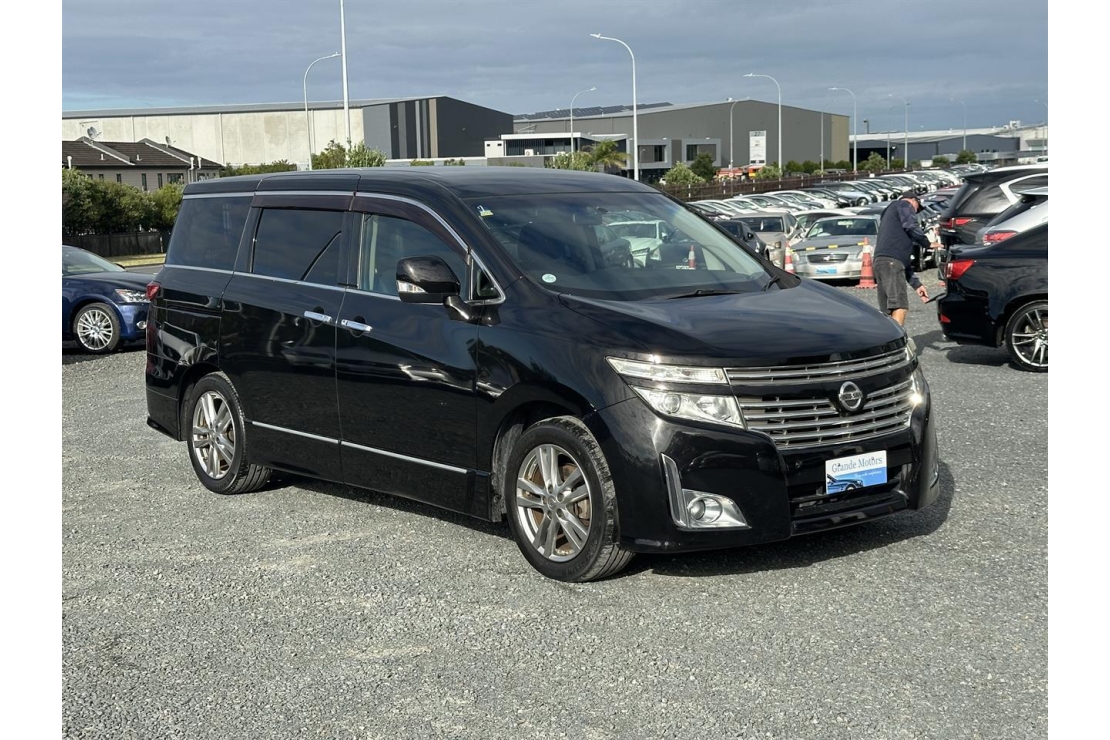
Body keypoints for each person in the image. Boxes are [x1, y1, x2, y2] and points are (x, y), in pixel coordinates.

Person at [873, 190, 943, 326]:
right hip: (891, 263)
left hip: (882, 262)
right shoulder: (904, 205)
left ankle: (887, 342)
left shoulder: (891, 215)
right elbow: (910, 225)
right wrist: (927, 243)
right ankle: (897, 344)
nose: (915, 212)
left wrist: (917, 285)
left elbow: (902, 262)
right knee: (900, 306)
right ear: (913, 200)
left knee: (887, 311)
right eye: (917, 208)